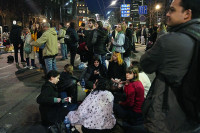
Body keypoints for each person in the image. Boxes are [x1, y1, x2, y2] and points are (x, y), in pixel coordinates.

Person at [140, 0, 200, 132]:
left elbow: (146, 65)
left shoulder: (169, 40)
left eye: (172, 10)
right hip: (195, 118)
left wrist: (161, 37)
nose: (167, 14)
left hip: (167, 119)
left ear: (187, 14)